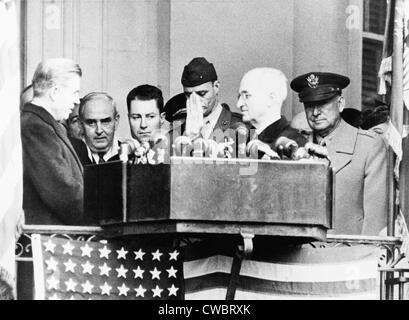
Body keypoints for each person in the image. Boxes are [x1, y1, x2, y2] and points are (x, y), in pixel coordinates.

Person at [290, 72, 388, 235]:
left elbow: (375, 221)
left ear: (341, 104)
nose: (315, 112)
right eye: (309, 105)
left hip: (346, 255)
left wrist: (364, 257)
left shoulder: (368, 146)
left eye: (323, 104)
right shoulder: (296, 146)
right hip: (298, 254)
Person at [21, 58, 84, 225]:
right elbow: (63, 193)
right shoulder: (36, 127)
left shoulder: (44, 124)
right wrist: (105, 213)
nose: (77, 100)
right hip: (49, 241)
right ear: (55, 92)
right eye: (74, 93)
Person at [237, 68, 307, 155]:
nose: (239, 104)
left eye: (247, 96)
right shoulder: (242, 138)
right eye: (239, 97)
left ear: (271, 98)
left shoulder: (292, 143)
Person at [176, 57, 244, 142]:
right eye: (189, 95)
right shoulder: (176, 134)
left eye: (202, 93)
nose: (196, 101)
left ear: (216, 87)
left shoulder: (241, 127)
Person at [126, 85, 168, 164]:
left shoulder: (175, 160)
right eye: (136, 117)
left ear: (162, 118)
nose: (143, 125)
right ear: (129, 119)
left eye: (150, 117)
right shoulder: (117, 162)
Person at [77, 92, 120, 164]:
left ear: (116, 121)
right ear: (80, 125)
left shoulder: (132, 156)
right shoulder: (70, 157)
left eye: (105, 121)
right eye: (91, 122)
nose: (99, 131)